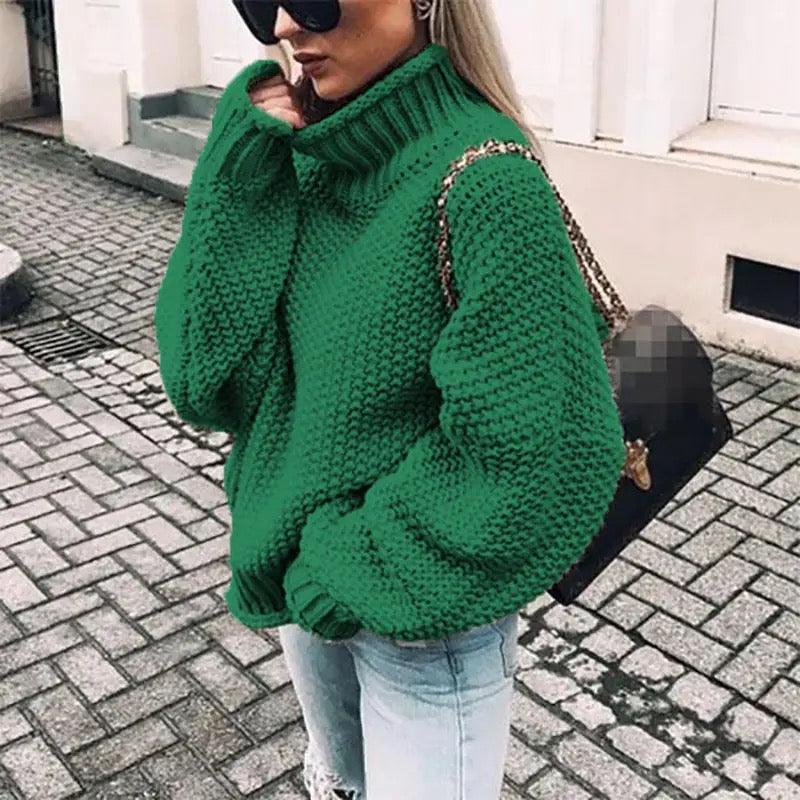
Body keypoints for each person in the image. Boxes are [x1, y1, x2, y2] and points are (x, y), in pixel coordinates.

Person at [154, 1, 627, 798]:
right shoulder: (313, 157)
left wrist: (347, 565)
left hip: (425, 620)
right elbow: (205, 381)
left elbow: (530, 455)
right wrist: (238, 172)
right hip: (310, 582)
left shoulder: (487, 181)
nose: (284, 25)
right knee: (340, 783)